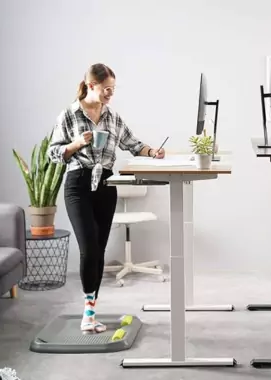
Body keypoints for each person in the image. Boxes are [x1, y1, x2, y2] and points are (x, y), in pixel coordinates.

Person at [47, 63, 165, 333]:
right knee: (88, 247)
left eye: (113, 89)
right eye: (106, 89)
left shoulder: (112, 117)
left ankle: (91, 309)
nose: (110, 94)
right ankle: (87, 314)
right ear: (91, 85)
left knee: (99, 250)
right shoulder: (69, 114)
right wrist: (77, 143)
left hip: (106, 185)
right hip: (78, 184)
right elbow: (52, 154)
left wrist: (152, 152)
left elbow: (132, 144)